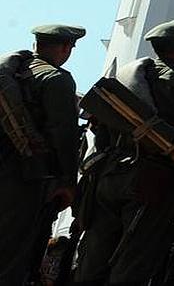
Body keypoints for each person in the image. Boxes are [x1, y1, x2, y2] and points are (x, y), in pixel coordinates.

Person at [73, 18, 174, 285]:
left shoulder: (126, 76)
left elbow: (101, 130)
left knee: (94, 253)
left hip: (109, 175)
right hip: (153, 179)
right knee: (135, 256)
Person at [0, 23, 84, 286]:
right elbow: (64, 136)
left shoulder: (13, 72)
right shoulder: (56, 79)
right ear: (64, 47)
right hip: (26, 176)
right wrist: (69, 182)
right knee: (14, 250)